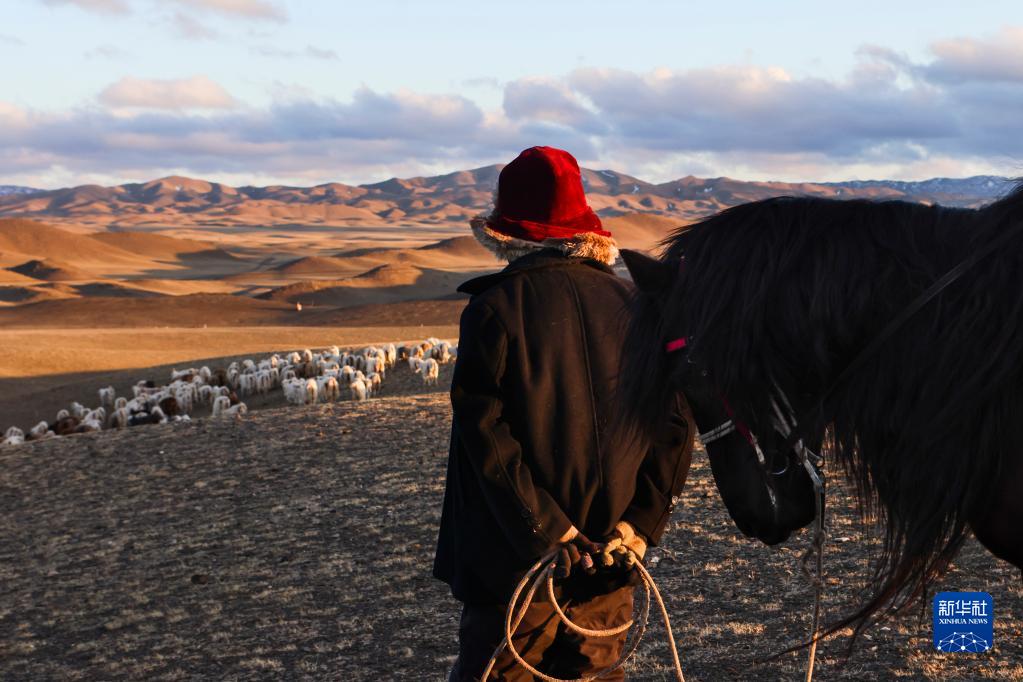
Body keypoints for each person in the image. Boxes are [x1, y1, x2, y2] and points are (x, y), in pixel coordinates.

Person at [434, 146, 694, 681]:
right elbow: (673, 424)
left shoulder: (494, 310)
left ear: (508, 233)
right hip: (611, 566)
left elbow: (487, 436)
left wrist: (552, 532)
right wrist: (638, 525)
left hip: (515, 574)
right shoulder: (635, 308)